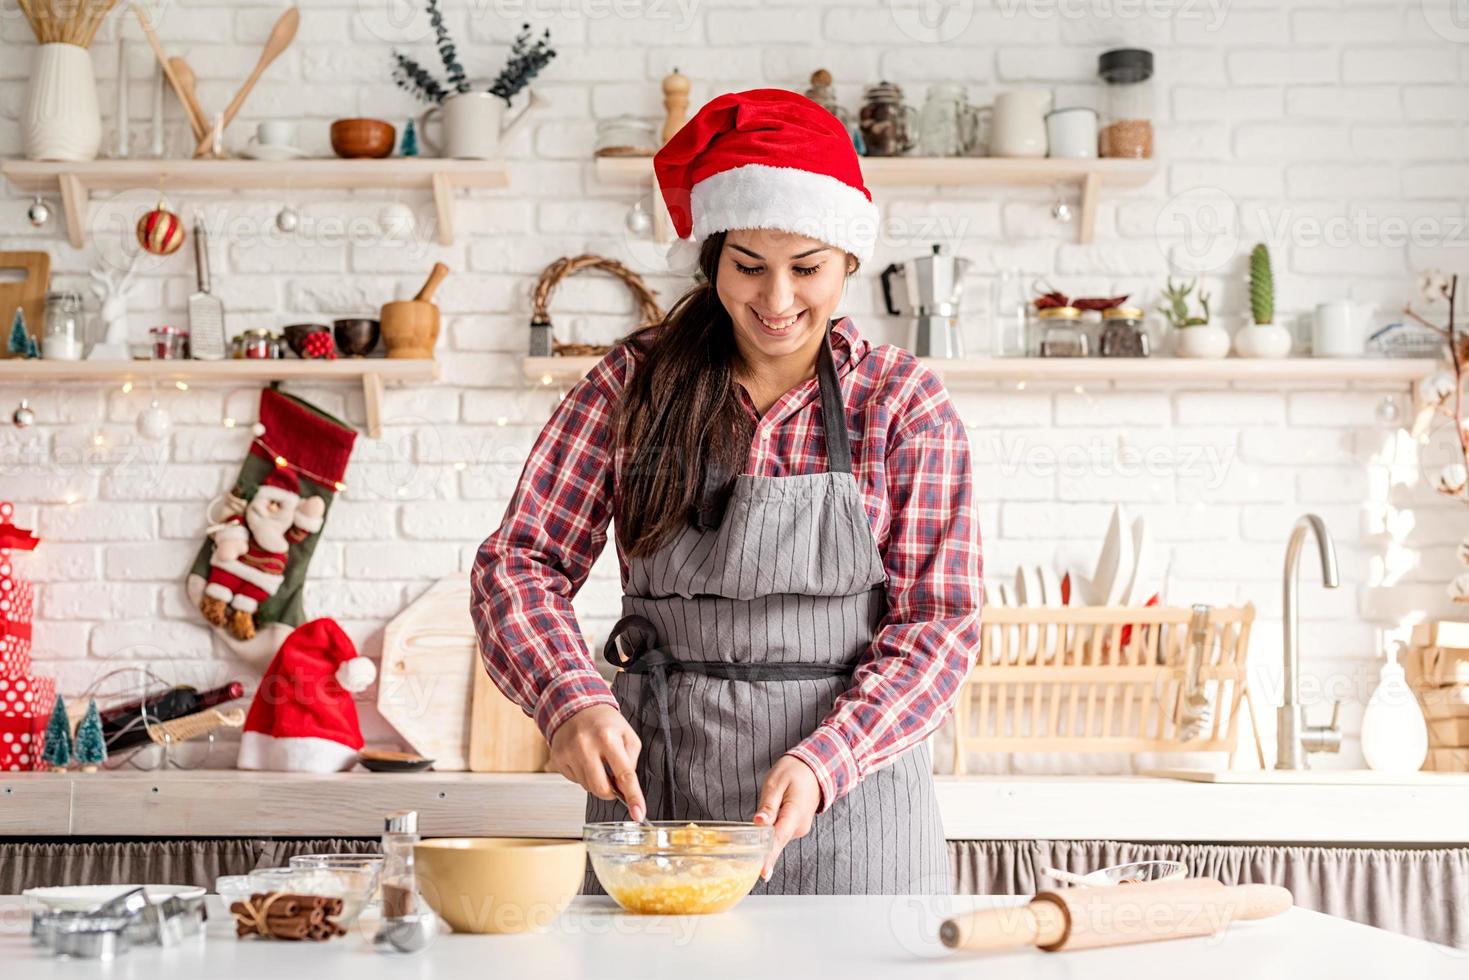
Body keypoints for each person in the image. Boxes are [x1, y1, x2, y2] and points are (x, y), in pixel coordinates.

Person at [472, 88, 982, 894]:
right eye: (748, 267)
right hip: (660, 795)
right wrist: (569, 699)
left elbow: (939, 625)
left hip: (851, 806)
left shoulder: (899, 403)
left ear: (848, 259)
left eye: (806, 268)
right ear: (712, 260)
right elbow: (520, 563)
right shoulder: (631, 386)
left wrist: (827, 759)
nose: (776, 302)